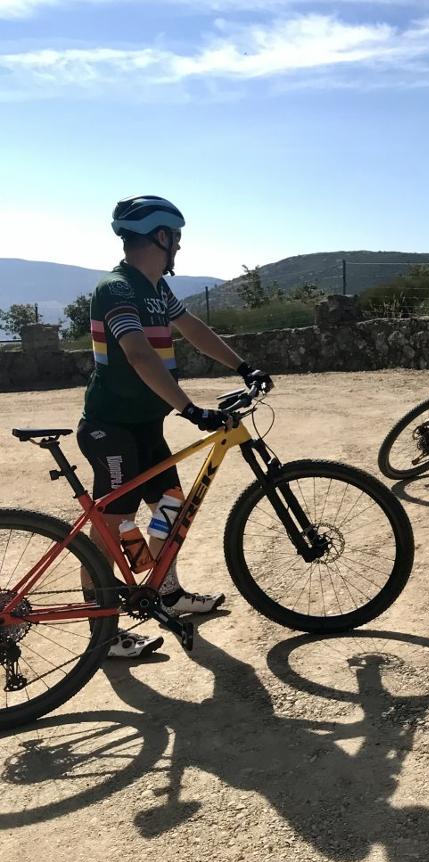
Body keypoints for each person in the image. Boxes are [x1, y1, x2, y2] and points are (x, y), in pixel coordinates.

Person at [76, 195, 274, 658]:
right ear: (161, 236)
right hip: (111, 427)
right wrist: (190, 409)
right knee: (110, 526)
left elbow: (194, 329)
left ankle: (165, 589)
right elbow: (139, 353)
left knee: (171, 503)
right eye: (176, 238)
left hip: (146, 424)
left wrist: (243, 366)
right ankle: (100, 634)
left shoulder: (155, 289)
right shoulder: (118, 288)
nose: (179, 248)